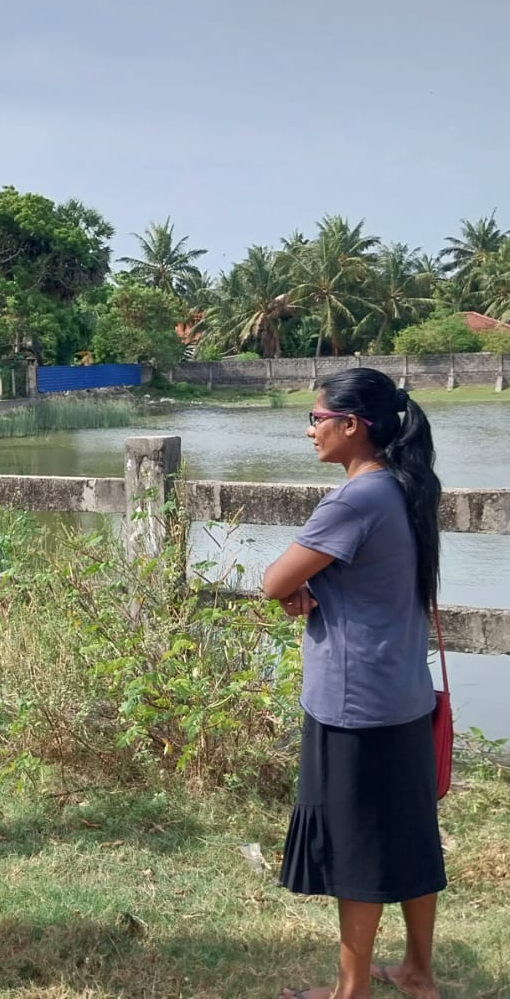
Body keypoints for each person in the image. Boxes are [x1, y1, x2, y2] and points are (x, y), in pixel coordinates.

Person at [263, 368, 445, 999]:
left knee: (358, 849)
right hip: (403, 692)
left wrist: (296, 587)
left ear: (351, 425)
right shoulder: (406, 487)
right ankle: (417, 971)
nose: (309, 430)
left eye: (317, 418)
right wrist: (309, 585)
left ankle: (350, 992)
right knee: (410, 833)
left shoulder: (355, 499)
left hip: (354, 703)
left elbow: (273, 580)